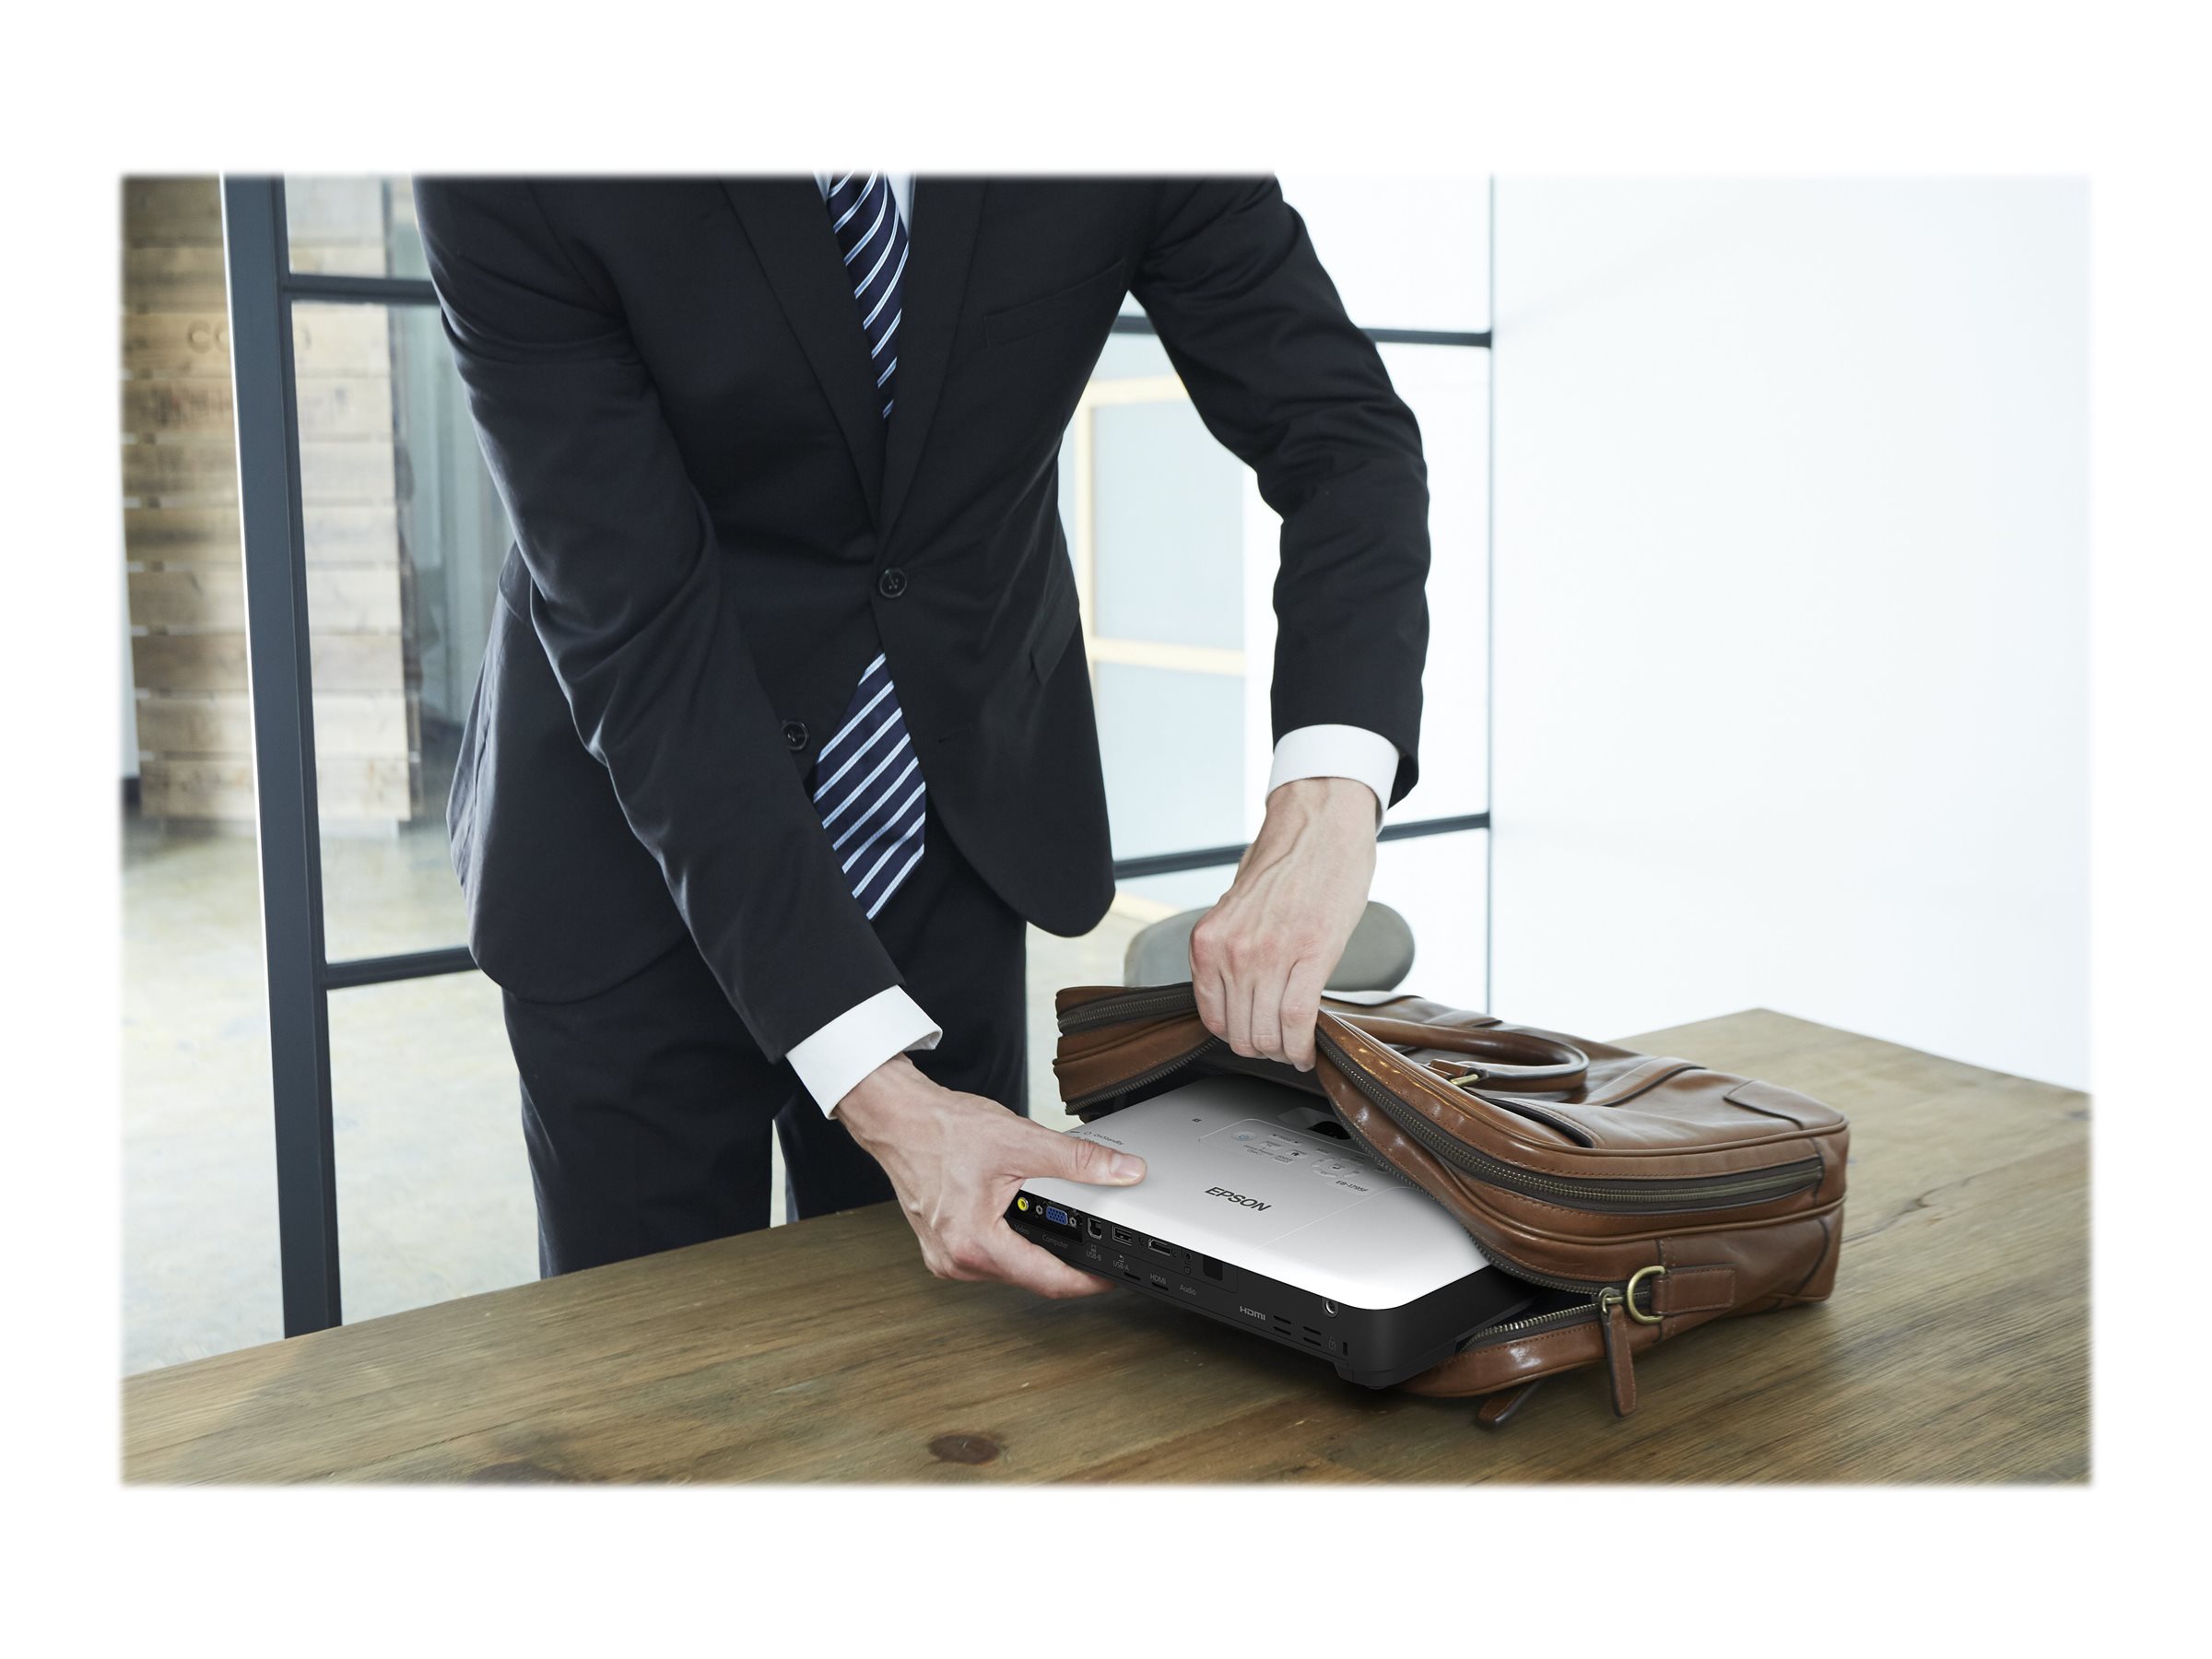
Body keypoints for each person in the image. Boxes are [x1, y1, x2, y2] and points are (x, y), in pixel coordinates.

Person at [412, 174, 1430, 1300]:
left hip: (940, 822)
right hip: (629, 853)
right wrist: (877, 1086)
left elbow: (1341, 438)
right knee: (655, 1369)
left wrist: (1327, 806)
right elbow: (638, 626)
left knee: (953, 1351)